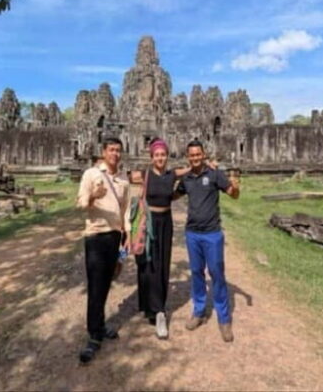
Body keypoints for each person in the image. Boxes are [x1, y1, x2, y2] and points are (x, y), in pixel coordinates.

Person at [175, 139, 240, 343]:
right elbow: (172, 195)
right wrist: (154, 187)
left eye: (198, 154)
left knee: (216, 273)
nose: (195, 158)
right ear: (188, 157)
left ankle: (224, 318)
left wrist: (236, 186)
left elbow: (233, 194)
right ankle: (199, 311)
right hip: (192, 233)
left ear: (203, 155)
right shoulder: (186, 179)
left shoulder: (214, 174)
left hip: (212, 233)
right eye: (192, 155)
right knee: (196, 273)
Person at [75, 137, 131, 364]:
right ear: (104, 152)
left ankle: (99, 324)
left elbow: (126, 209)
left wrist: (127, 235)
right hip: (96, 236)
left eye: (118, 150)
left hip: (115, 236)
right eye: (111, 150)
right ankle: (94, 335)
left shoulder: (123, 180)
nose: (115, 154)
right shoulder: (91, 174)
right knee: (96, 285)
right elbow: (80, 203)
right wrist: (93, 196)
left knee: (108, 281)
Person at [130, 138, 185, 340]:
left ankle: (159, 309)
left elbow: (188, 170)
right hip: (148, 223)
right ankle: (150, 306)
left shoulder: (171, 175)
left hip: (166, 223)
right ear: (151, 157)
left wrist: (205, 165)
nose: (160, 158)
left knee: (162, 264)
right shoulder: (144, 175)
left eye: (163, 155)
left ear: (167, 156)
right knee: (147, 264)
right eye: (157, 155)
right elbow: (122, 176)